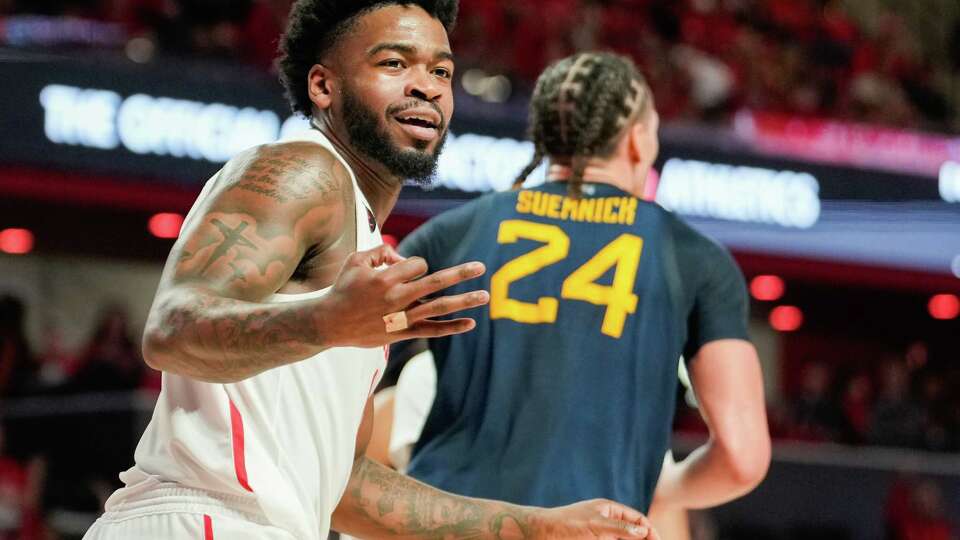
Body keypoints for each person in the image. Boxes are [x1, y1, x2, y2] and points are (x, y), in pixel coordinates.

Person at [83, 3, 658, 539]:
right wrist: (328, 321)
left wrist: (535, 527)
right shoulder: (301, 170)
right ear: (323, 86)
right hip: (201, 518)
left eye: (441, 71)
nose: (426, 85)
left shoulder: (359, 245)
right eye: (393, 62)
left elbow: (347, 486)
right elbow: (172, 331)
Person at [396, 51, 771, 535]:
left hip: (447, 527)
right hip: (588, 530)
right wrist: (663, 489)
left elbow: (349, 375)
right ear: (638, 140)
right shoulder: (693, 257)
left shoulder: (447, 234)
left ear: (545, 135)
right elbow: (743, 458)